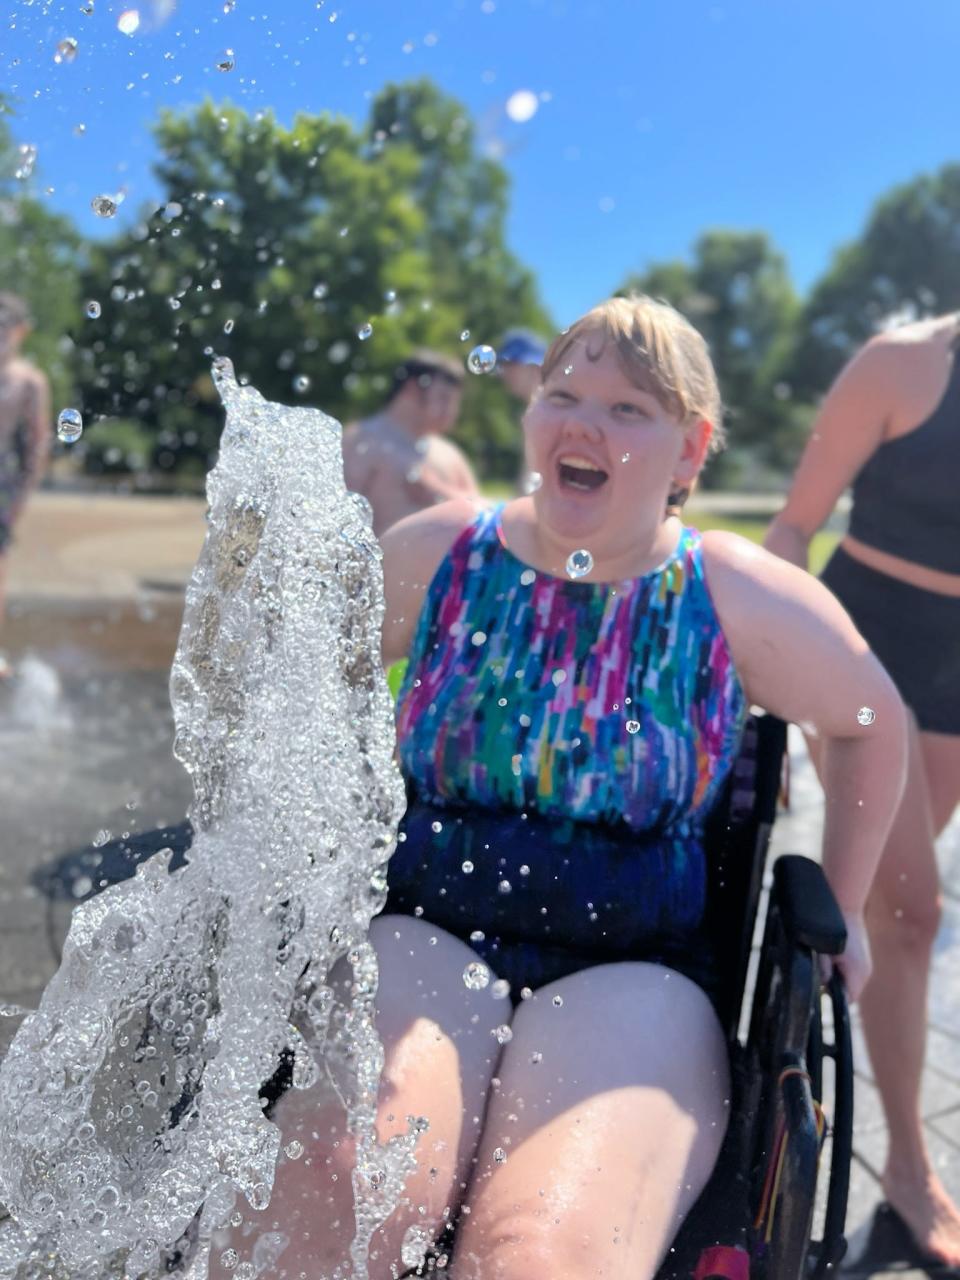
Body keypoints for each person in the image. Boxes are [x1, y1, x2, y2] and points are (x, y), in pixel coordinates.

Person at [217, 296, 906, 1280]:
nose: (584, 423)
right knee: (328, 1207)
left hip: (633, 969)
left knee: (537, 1253)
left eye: (629, 408)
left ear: (690, 449)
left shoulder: (733, 594)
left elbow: (871, 720)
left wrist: (847, 904)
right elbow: (301, 678)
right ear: (533, 419)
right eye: (564, 395)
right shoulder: (440, 554)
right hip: (426, 934)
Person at [765, 311, 960, 1267]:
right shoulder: (905, 363)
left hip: (957, 664)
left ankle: (895, 1158)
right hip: (865, 643)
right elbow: (793, 525)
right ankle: (913, 1179)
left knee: (902, 922)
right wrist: (794, 685)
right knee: (915, 908)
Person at [342, 349, 481, 537]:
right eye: (444, 398)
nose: (453, 410)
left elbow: (486, 517)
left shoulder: (449, 454)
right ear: (412, 389)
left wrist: (439, 492)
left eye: (455, 401)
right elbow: (331, 524)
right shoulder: (360, 442)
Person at [0, 293, 51, 680]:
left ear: (21, 332)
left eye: (5, 328)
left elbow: (36, 447)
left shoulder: (28, 381)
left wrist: (20, 498)